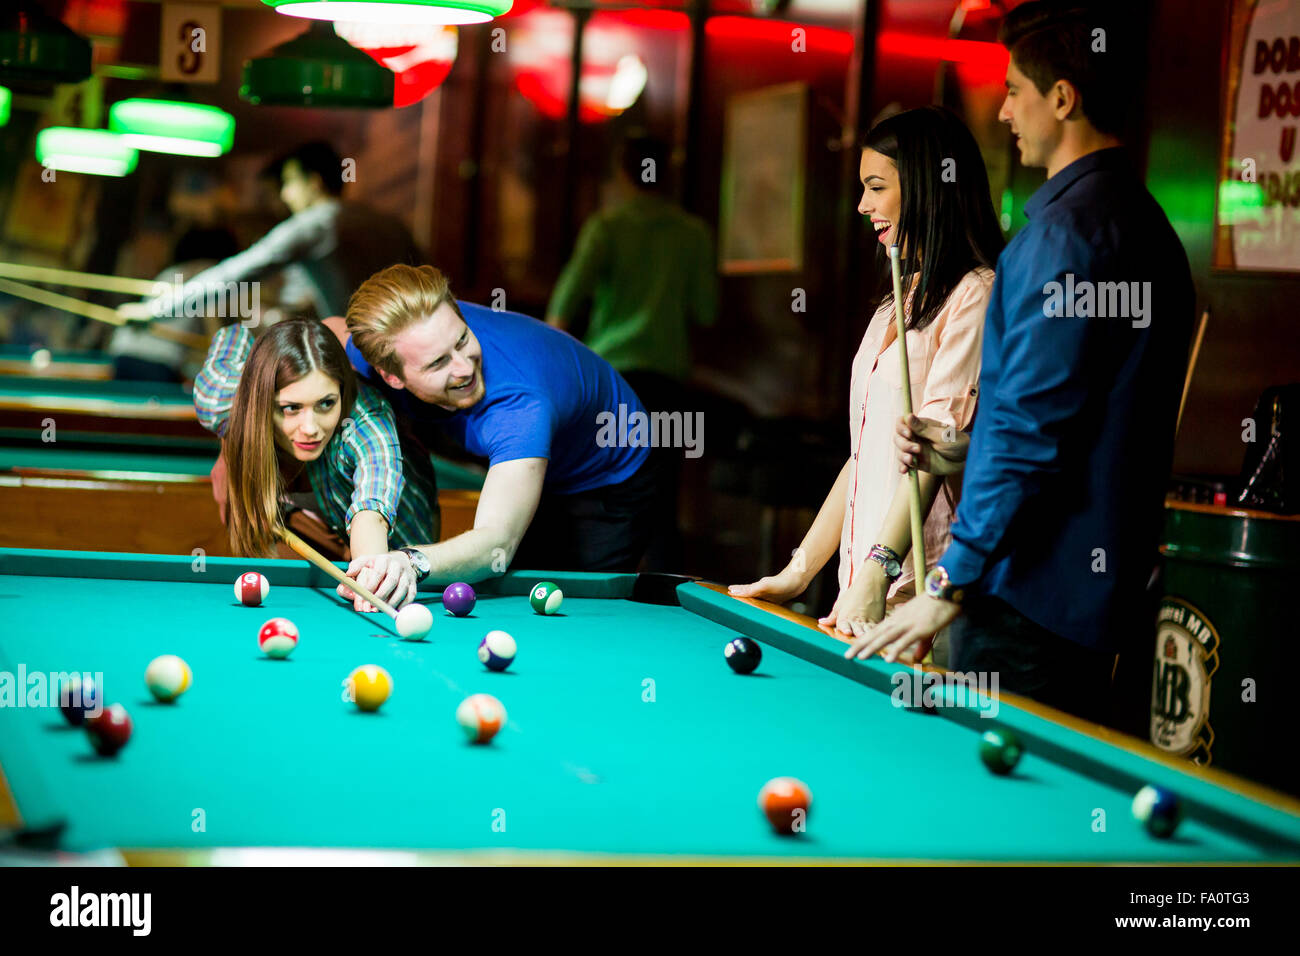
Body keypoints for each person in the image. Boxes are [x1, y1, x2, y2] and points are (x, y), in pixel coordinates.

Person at [845, 1, 1195, 733]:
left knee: (979, 826)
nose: (1002, 111)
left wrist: (949, 577)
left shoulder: (1061, 239)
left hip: (1025, 598)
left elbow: (1030, 427)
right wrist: (964, 449)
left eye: (1012, 91)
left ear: (1061, 98)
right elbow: (1081, 414)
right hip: (1100, 595)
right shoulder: (1147, 225)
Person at [729, 107, 1003, 666]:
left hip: (923, 600)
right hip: (865, 594)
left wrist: (879, 570)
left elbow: (930, 452)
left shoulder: (976, 293)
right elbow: (865, 456)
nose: (862, 205)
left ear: (927, 189)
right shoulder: (893, 303)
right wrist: (800, 571)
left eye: (876, 187)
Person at [330, 263, 660, 602]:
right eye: (438, 362)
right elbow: (329, 331)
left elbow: (496, 543)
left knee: (579, 606)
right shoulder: (373, 349)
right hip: (532, 458)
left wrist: (408, 561)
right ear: (391, 377)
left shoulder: (520, 407)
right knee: (518, 593)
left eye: (462, 339)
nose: (464, 366)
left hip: (609, 473)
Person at [546, 133, 717, 570]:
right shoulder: (692, 233)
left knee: (609, 494)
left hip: (614, 385)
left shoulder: (607, 227)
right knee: (662, 501)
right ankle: (663, 602)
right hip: (666, 384)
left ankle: (604, 595)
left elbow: (561, 312)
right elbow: (707, 312)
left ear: (623, 173)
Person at [194, 318, 439, 611]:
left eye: (325, 403)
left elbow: (371, 509)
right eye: (291, 408)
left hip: (397, 552)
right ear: (261, 401)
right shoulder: (222, 399)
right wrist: (233, 445)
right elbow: (232, 335)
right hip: (298, 522)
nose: (310, 428)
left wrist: (372, 571)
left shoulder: (365, 419)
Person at [122, 141, 423, 325]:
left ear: (314, 183)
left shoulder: (315, 224)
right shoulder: (388, 223)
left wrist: (157, 310)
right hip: (413, 346)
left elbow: (233, 274)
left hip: (359, 354)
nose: (286, 195)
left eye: (290, 183)